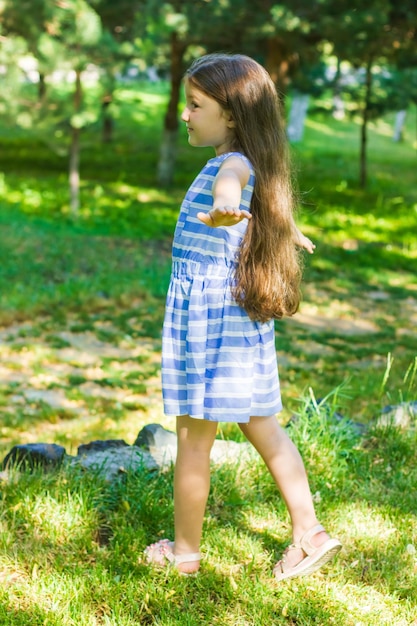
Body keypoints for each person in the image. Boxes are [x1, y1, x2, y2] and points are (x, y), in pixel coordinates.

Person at [144, 53, 341, 580]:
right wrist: (284, 229)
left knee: (192, 439)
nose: (185, 114)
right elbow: (267, 204)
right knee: (265, 428)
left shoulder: (229, 167)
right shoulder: (253, 162)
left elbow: (230, 187)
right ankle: (310, 533)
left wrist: (226, 207)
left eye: (195, 105)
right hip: (235, 321)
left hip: (212, 325)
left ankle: (184, 554)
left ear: (230, 114)